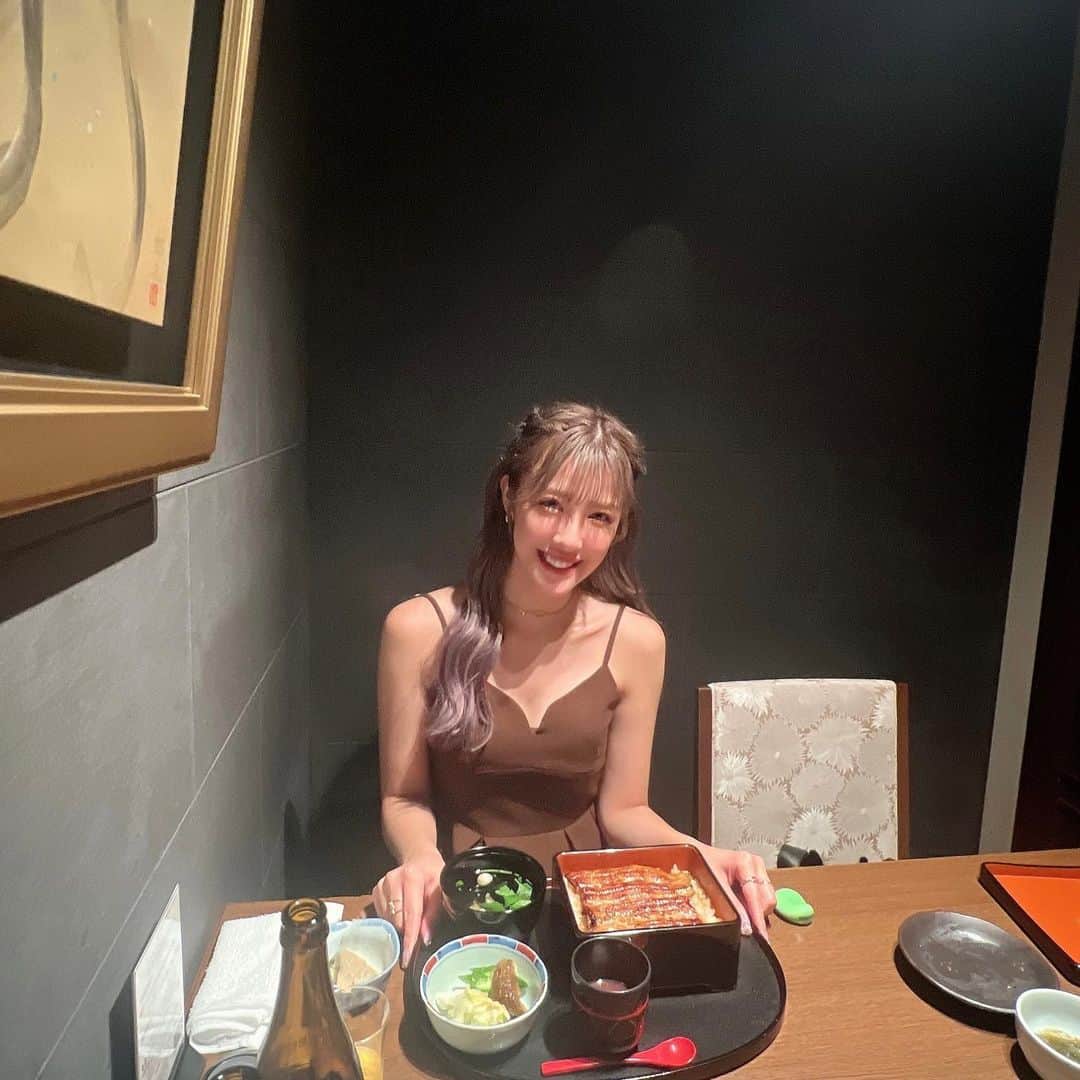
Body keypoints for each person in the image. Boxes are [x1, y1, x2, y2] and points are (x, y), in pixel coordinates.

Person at [373, 402, 775, 966]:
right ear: (510, 496)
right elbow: (403, 797)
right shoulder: (418, 630)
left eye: (599, 517)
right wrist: (421, 859)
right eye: (550, 505)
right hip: (466, 899)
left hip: (590, 906)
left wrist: (705, 858)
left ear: (619, 528)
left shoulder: (637, 642)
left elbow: (625, 810)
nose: (569, 539)